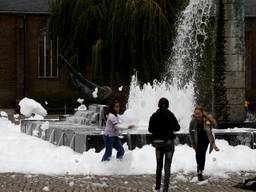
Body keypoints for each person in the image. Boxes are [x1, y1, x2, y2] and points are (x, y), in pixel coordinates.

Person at [148, 97, 180, 192]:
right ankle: (165, 189)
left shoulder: (154, 115)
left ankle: (157, 187)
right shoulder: (170, 115)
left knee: (159, 166)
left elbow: (150, 130)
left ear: (158, 105)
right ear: (168, 105)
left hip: (158, 144)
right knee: (167, 167)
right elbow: (177, 128)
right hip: (169, 143)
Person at [189, 106, 220, 181]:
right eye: (196, 114)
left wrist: (210, 120)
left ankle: (200, 170)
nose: (197, 115)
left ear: (202, 113)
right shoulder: (193, 122)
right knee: (198, 155)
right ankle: (199, 170)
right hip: (197, 141)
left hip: (205, 141)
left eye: (199, 114)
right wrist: (192, 143)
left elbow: (214, 126)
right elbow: (190, 132)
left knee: (202, 155)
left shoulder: (206, 120)